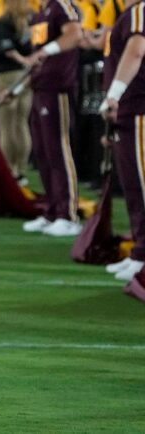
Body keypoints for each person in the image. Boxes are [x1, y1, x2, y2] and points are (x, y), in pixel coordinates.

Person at [18, 0, 83, 236]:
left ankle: (69, 214)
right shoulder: (41, 12)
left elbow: (74, 35)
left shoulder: (61, 5)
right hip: (40, 87)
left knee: (58, 150)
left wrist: (48, 50)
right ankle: (52, 209)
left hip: (58, 89)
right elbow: (38, 58)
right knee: (43, 153)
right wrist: (18, 88)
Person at [99, 0, 145, 281]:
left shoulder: (140, 10)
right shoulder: (128, 13)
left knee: (140, 183)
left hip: (139, 107)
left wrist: (114, 93)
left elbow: (137, 49)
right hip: (130, 109)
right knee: (132, 185)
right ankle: (140, 252)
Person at [0, 0, 33, 185]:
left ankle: (7, 170)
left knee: (6, 126)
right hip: (24, 76)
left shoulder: (5, 21)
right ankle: (20, 170)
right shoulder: (30, 20)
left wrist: (22, 59)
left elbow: (7, 49)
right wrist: (27, 62)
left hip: (5, 76)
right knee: (21, 124)